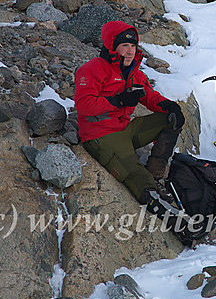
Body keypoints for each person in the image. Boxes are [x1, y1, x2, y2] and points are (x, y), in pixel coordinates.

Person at [74, 20, 185, 215]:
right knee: (135, 174)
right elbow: (84, 105)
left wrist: (169, 106)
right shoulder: (93, 68)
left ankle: (156, 173)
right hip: (102, 136)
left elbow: (150, 96)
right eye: (125, 45)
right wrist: (118, 100)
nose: (130, 51)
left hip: (125, 129)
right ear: (112, 47)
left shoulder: (133, 72)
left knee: (171, 118)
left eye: (133, 46)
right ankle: (167, 212)